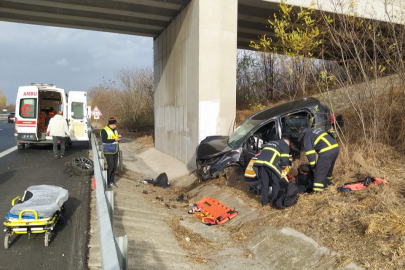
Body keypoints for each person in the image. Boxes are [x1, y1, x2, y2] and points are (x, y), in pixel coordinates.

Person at [253, 138, 291, 207]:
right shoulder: (284, 145)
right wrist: (283, 167)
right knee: (275, 184)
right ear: (287, 143)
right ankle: (274, 203)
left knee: (264, 183)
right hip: (271, 165)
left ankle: (264, 202)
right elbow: (285, 160)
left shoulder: (271, 142)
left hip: (260, 164)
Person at [299, 127, 340, 192]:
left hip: (326, 150)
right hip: (335, 148)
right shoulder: (314, 131)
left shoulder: (307, 136)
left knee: (319, 172)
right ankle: (328, 183)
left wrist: (313, 167)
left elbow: (310, 153)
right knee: (328, 168)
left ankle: (317, 191)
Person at [100, 118, 122, 188]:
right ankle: (108, 182)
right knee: (111, 166)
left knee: (115, 167)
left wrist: (118, 138)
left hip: (115, 150)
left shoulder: (115, 130)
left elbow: (115, 140)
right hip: (108, 151)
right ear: (111, 124)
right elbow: (104, 140)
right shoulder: (104, 130)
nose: (116, 125)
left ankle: (112, 181)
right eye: (115, 124)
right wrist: (114, 139)